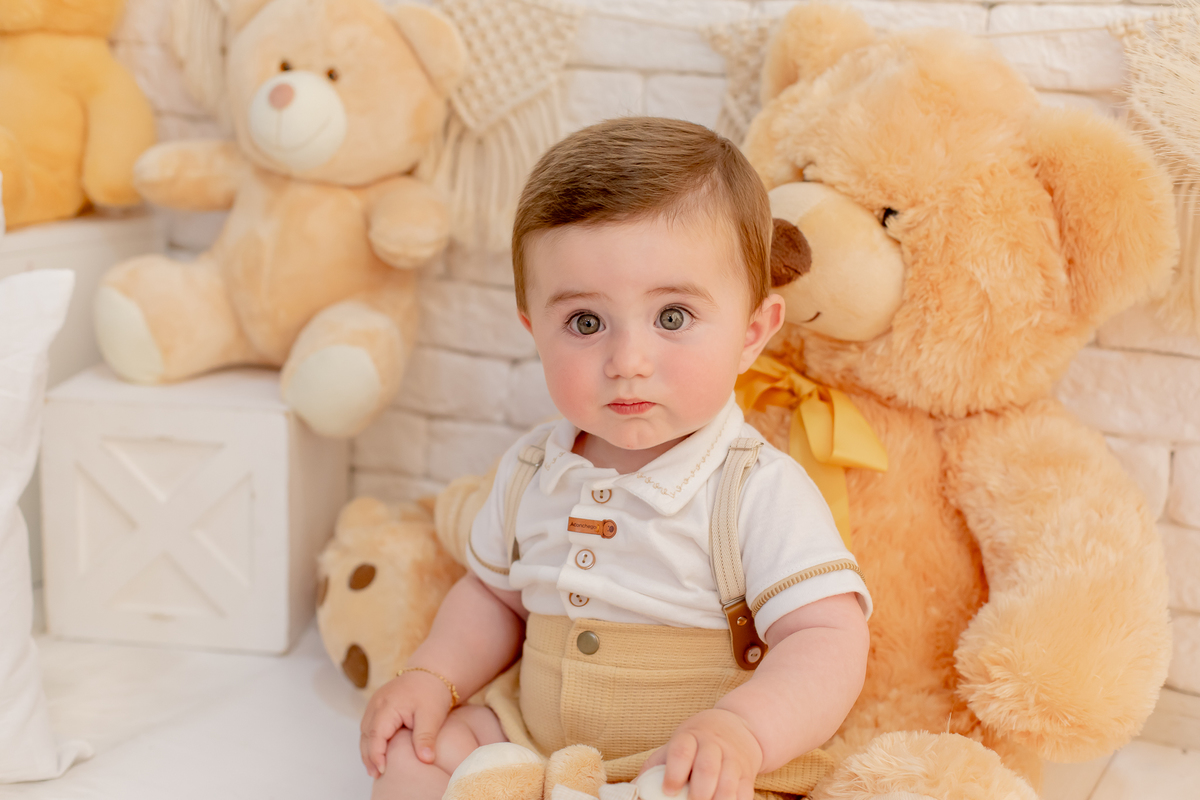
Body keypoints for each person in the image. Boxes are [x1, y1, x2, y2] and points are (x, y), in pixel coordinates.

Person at [360, 117, 871, 800]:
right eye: (585, 323)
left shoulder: (755, 488)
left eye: (672, 317)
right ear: (534, 331)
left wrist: (744, 730)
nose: (627, 361)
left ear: (752, 333)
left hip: (685, 762)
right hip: (533, 740)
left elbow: (828, 637)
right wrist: (434, 675)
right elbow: (492, 598)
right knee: (412, 756)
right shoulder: (532, 470)